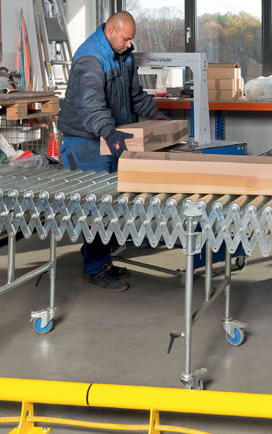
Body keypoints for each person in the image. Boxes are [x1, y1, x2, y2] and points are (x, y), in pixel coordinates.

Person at [57, 11, 169, 292]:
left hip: (109, 136)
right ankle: (95, 269)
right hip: (86, 140)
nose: (130, 44)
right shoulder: (90, 58)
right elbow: (91, 104)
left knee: (113, 203)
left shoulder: (124, 55)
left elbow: (134, 94)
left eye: (131, 39)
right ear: (110, 31)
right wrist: (108, 132)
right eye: (126, 38)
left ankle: (101, 260)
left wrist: (154, 115)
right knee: (97, 206)